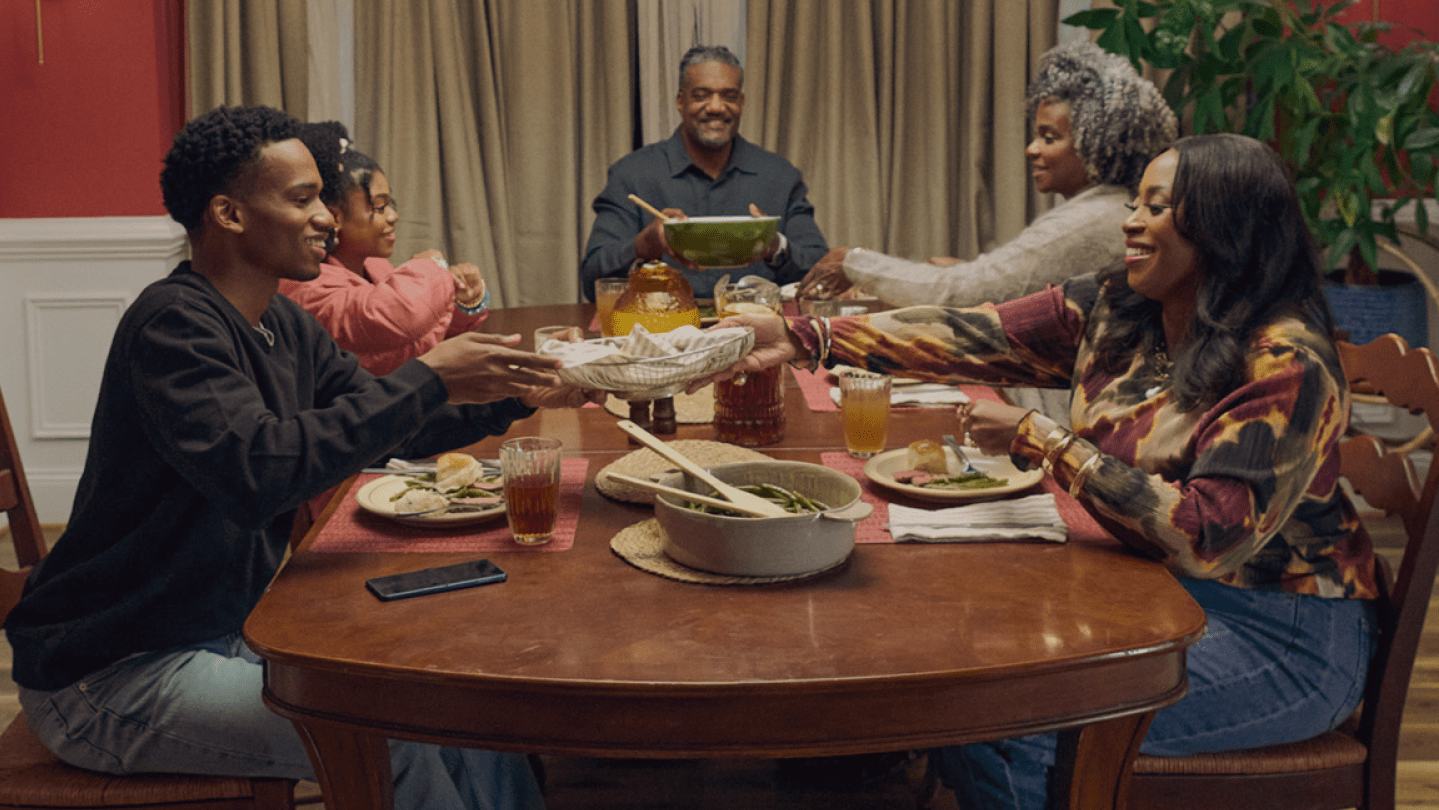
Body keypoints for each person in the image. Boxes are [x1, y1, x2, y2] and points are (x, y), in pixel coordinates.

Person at [696, 133, 1379, 810]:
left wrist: (1047, 442)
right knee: (960, 675)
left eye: (1158, 206)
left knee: (1008, 726)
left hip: (1284, 633)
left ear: (1226, 227)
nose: (1129, 221)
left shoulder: (1286, 362)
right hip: (1151, 592)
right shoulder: (1124, 307)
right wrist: (802, 336)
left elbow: (1205, 535)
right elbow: (973, 332)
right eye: (1136, 201)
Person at [5, 105, 598, 810]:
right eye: (302, 198)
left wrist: (524, 389)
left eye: (322, 196)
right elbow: (260, 473)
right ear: (228, 213)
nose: (327, 217)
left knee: (451, 699)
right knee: (390, 733)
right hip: (111, 672)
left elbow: (388, 423)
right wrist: (431, 375)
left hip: (226, 634)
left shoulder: (279, 323)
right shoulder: (171, 327)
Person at [795, 39, 1177, 308]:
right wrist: (972, 272)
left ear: (1098, 145)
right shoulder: (1109, 206)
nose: (1032, 149)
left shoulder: (1092, 219)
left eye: (1049, 138)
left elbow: (959, 293)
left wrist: (852, 261)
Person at [579, 44, 829, 301]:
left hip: (754, 330)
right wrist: (644, 246)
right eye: (701, 95)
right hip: (662, 330)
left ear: (741, 103)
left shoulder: (779, 176)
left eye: (729, 96)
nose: (716, 107)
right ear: (680, 101)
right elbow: (593, 280)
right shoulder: (631, 175)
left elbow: (821, 273)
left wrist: (775, 247)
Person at [278, 121, 490, 376]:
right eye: (379, 207)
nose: (393, 216)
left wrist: (462, 304)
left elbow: (409, 344)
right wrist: (434, 266)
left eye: (391, 204)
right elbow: (398, 317)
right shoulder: (302, 283)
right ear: (333, 216)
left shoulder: (374, 265)